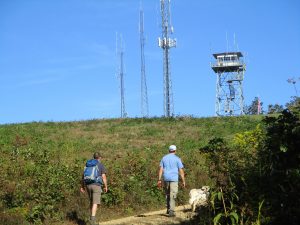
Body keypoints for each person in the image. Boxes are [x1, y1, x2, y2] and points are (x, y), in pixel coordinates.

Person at [158, 145, 186, 217]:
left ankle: (168, 208)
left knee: (167, 194)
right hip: (174, 179)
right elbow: (181, 170)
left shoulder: (164, 158)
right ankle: (171, 211)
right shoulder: (177, 159)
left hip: (166, 178)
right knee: (173, 194)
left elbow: (161, 169)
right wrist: (183, 181)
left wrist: (159, 179)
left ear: (169, 150)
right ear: (175, 151)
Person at [80, 152, 108, 225]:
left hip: (88, 185)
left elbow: (83, 176)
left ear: (94, 157)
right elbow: (104, 177)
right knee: (96, 203)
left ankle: (91, 218)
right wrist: (105, 186)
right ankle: (92, 220)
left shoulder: (88, 164)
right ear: (100, 157)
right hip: (96, 185)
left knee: (92, 202)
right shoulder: (100, 165)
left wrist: (82, 186)